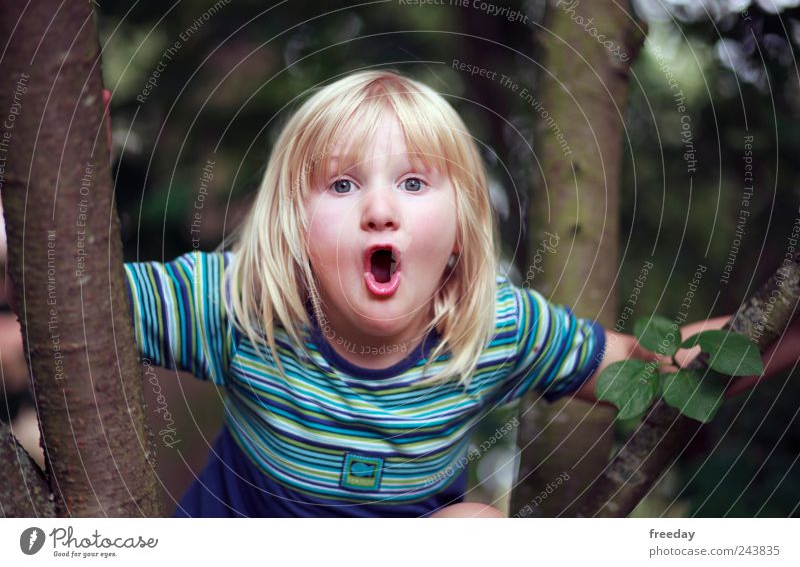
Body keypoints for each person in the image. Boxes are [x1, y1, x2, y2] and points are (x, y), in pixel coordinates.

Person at [8, 71, 795, 517]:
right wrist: (54, 152)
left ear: (459, 230)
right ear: (293, 222)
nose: (380, 207)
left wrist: (784, 327)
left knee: (479, 530)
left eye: (414, 182)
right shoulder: (242, 304)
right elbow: (59, 305)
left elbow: (655, 365)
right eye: (344, 184)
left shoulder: (495, 330)